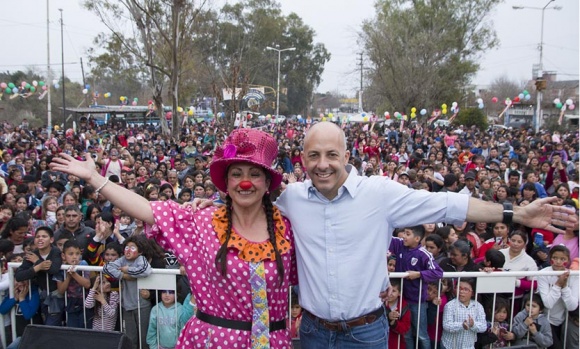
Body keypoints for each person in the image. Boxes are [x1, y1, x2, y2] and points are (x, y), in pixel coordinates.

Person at [270, 122, 576, 348]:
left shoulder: (379, 193)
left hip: (364, 334)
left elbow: (447, 205)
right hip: (313, 333)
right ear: (303, 159)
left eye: (331, 154)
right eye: (314, 155)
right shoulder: (292, 199)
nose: (323, 165)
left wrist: (516, 213)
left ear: (347, 155)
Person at [50, 128, 297, 348]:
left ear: (267, 182)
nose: (245, 182)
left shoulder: (287, 227)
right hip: (212, 342)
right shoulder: (201, 222)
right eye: (237, 173)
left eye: (254, 174)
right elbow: (147, 209)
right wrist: (95, 178)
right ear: (226, 183)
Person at [389, 225, 443, 349]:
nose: (404, 236)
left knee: (421, 334)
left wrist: (419, 274)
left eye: (408, 234)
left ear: (417, 238)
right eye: (404, 233)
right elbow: (387, 237)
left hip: (417, 301)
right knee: (406, 334)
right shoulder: (399, 244)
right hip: (402, 300)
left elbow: (438, 272)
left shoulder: (423, 254)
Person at [103, 235, 152, 349]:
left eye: (133, 247)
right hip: (127, 305)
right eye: (126, 247)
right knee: (130, 338)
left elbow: (145, 270)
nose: (128, 250)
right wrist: (123, 275)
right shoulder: (122, 260)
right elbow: (107, 268)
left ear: (140, 251)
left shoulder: (141, 259)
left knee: (144, 338)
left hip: (141, 305)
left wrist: (128, 270)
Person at [537, 245, 579, 348]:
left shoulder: (575, 276)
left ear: (568, 260)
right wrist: (558, 285)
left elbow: (572, 306)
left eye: (562, 259)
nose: (558, 262)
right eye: (555, 258)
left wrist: (564, 287)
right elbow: (548, 303)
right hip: (547, 320)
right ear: (550, 258)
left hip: (565, 321)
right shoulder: (543, 273)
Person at [441, 279, 486, 349]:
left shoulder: (478, 306)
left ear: (473, 293)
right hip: (449, 346)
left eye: (466, 289)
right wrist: (462, 325)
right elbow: (446, 325)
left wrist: (473, 325)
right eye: (459, 288)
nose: (461, 291)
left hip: (468, 346)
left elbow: (483, 327)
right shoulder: (450, 305)